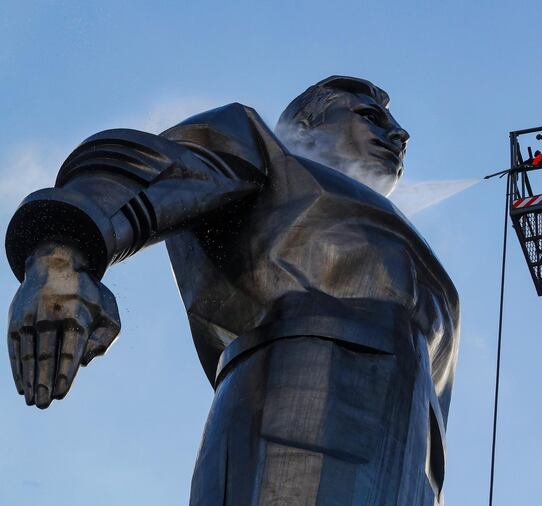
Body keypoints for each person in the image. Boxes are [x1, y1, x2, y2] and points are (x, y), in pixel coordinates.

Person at [5, 76, 459, 506]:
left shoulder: (393, 236)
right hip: (293, 421)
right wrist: (61, 252)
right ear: (305, 125)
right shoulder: (273, 158)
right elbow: (156, 165)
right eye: (370, 116)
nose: (398, 135)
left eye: (396, 125)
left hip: (413, 466)